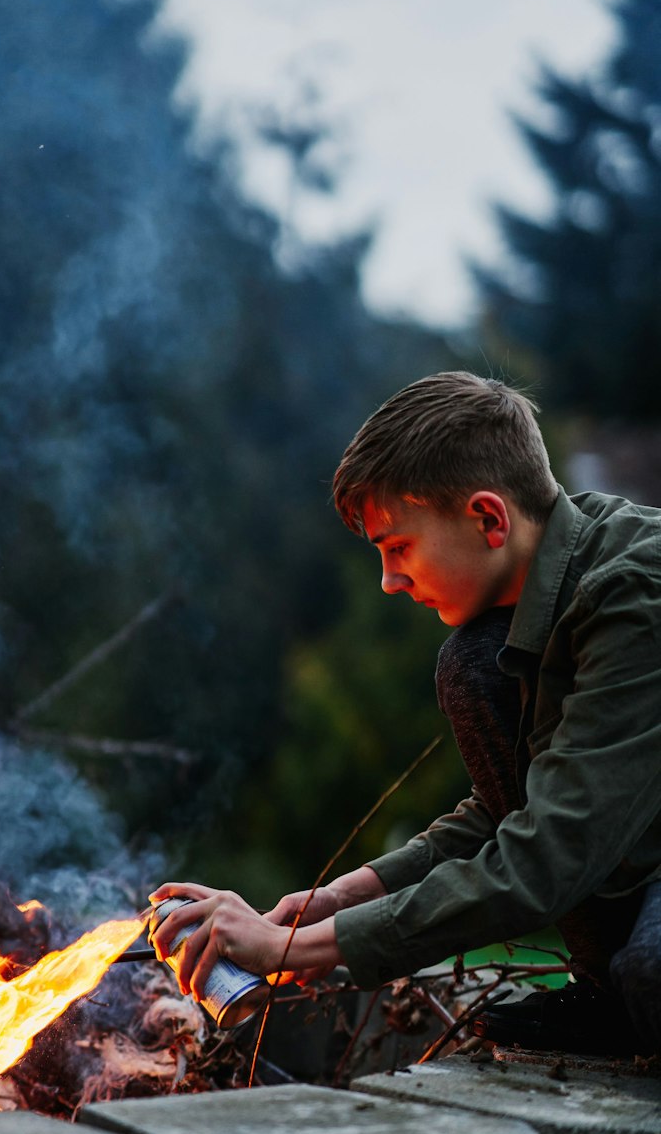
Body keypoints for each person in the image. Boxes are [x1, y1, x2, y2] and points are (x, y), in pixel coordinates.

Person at [151, 371, 661, 1058]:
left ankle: (624, 992)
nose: (389, 580)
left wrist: (288, 947)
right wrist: (341, 899)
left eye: (397, 547)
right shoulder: (549, 581)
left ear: (488, 517)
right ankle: (613, 990)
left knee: (654, 975)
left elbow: (546, 858)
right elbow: (509, 814)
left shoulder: (633, 596)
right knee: (473, 659)